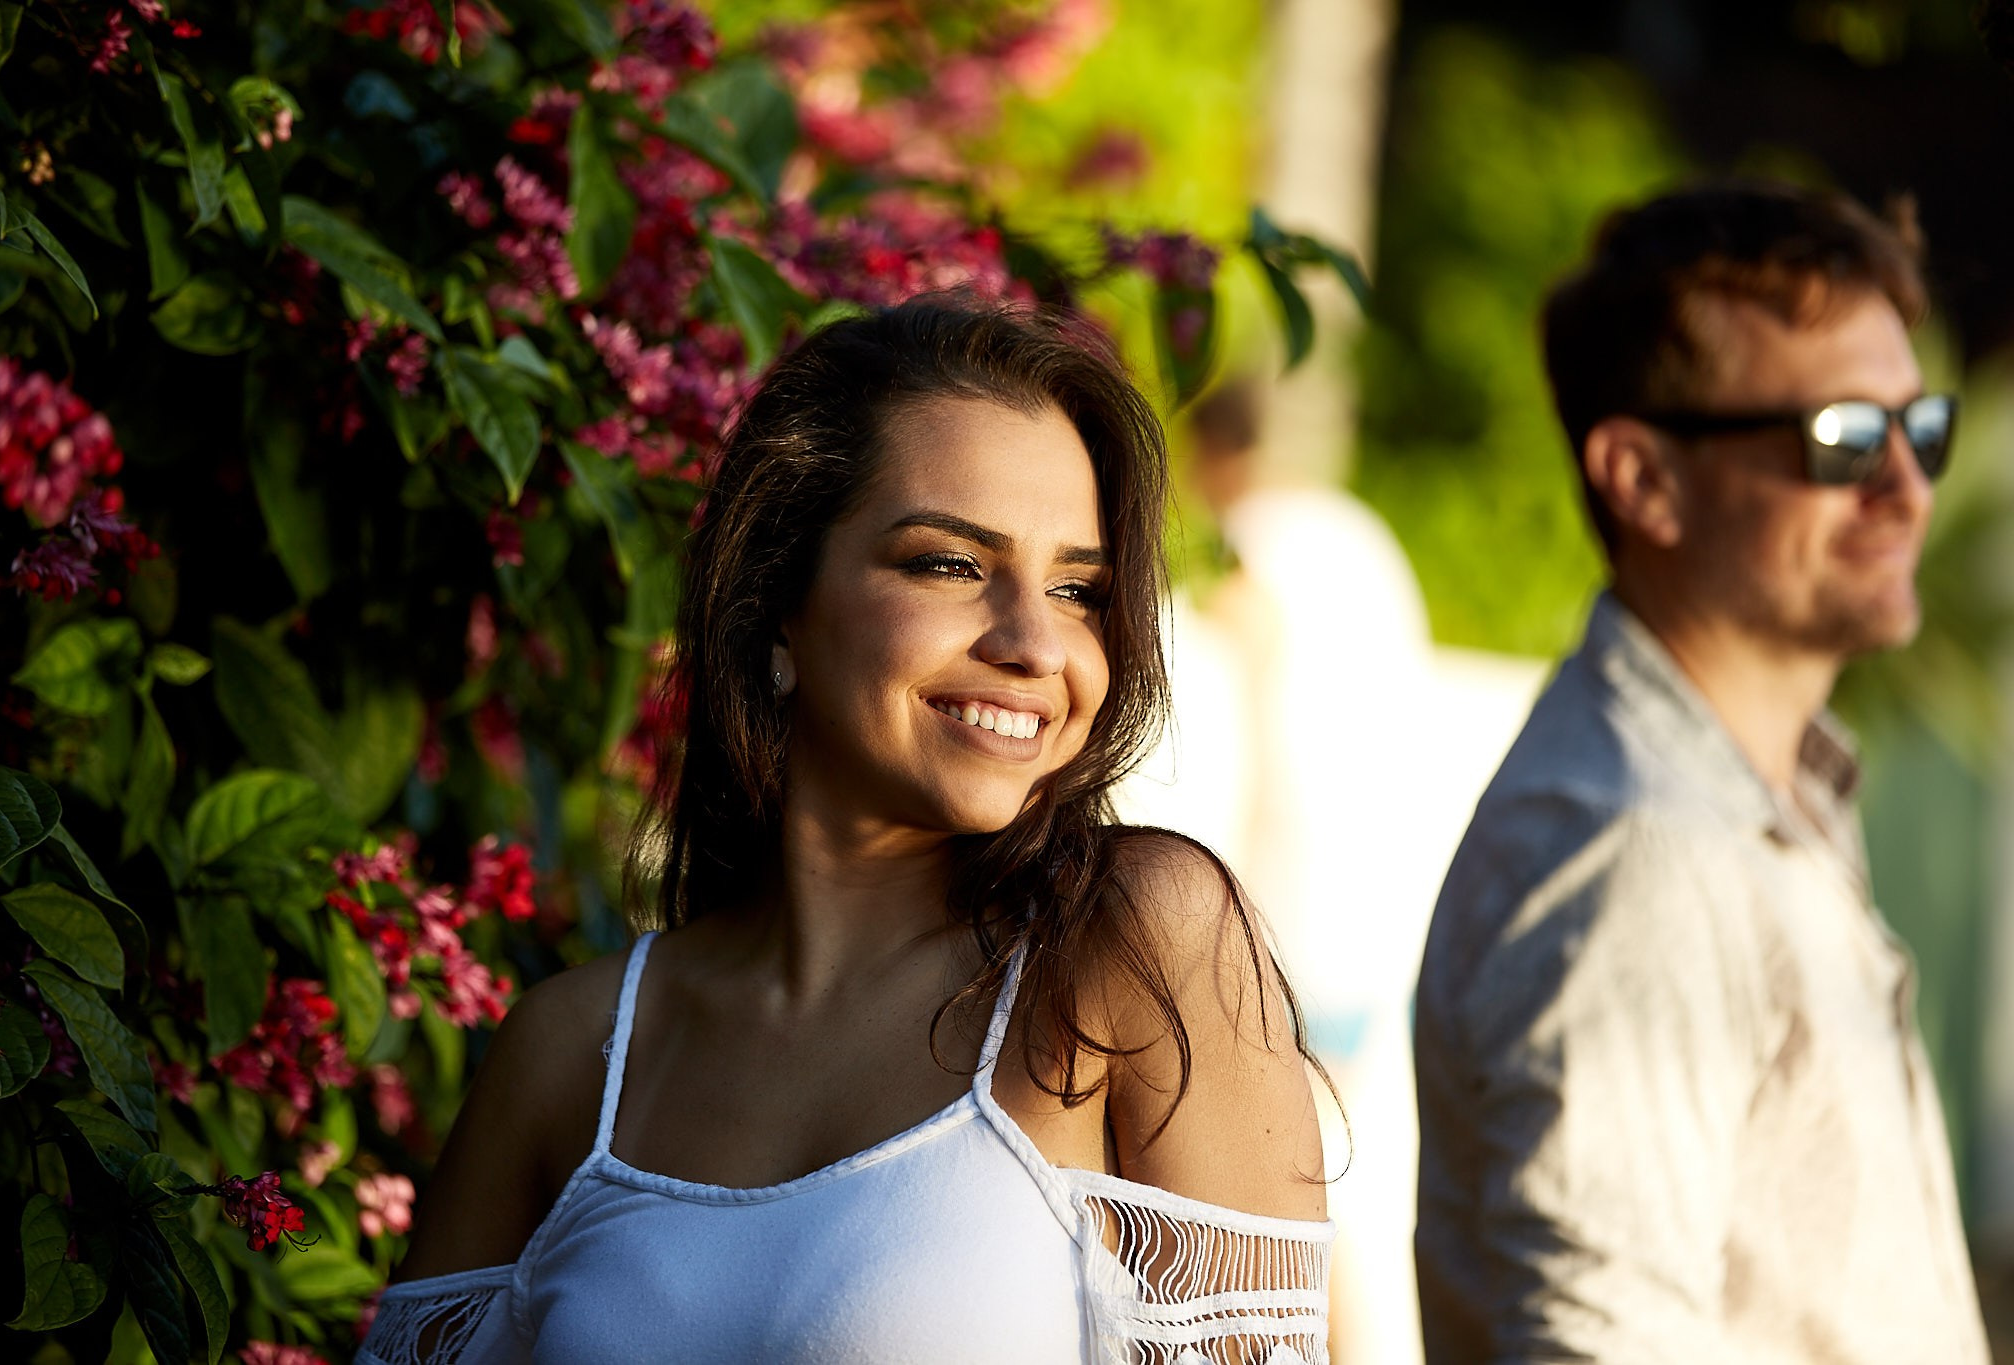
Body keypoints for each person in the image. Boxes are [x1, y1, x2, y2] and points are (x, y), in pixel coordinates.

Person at [359, 298, 1336, 1364]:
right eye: (949, 564)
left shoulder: (1131, 949)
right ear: (778, 597)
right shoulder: (568, 1053)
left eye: (1076, 588)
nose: (1033, 643)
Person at [1412, 181, 1991, 1361]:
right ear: (1642, 479)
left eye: (1919, 428)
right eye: (1842, 437)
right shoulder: (1633, 850)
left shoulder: (1754, 794)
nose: (1905, 488)